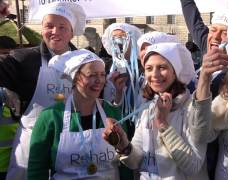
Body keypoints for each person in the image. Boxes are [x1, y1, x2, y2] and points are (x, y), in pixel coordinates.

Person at [0, 2, 86, 179]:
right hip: (31, 146)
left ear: (72, 32)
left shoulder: (85, 62)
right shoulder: (23, 59)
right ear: (42, 29)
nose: (55, 31)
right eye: (49, 26)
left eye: (63, 27)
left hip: (71, 145)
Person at [103, 42, 212, 179]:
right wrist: (123, 144)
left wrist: (163, 124)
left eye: (162, 67)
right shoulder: (148, 106)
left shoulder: (190, 107)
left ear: (175, 71)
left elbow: (193, 167)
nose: (154, 74)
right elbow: (136, 161)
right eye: (149, 68)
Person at [28, 49, 129, 180]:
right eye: (92, 75)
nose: (99, 80)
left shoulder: (112, 112)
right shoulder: (51, 116)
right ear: (75, 77)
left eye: (102, 74)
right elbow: (37, 168)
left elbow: (125, 162)